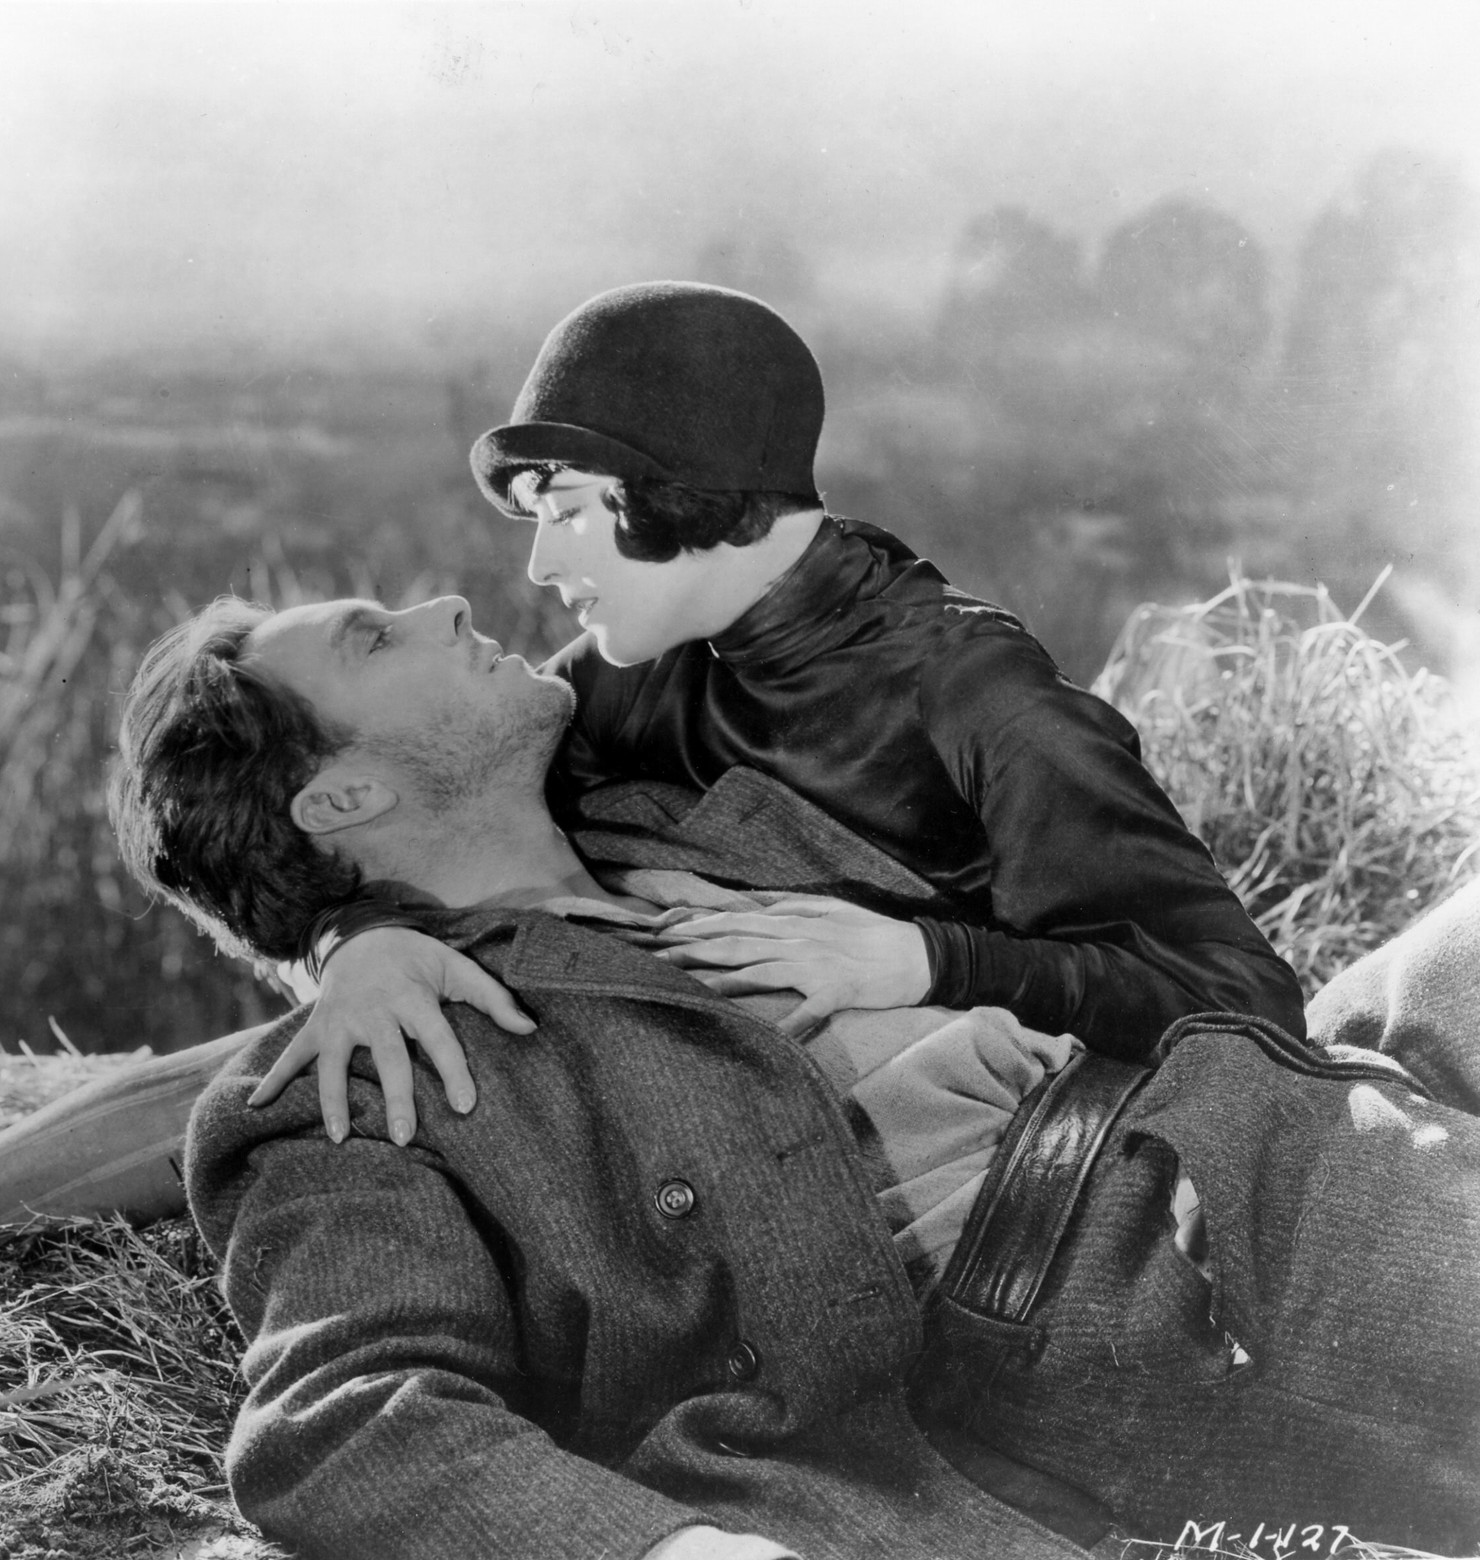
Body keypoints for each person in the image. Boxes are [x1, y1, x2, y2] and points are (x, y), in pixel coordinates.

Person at [121, 591, 1475, 1559]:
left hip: (1246, 1078)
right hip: (1114, 1260)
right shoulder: (362, 1069)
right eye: (373, 638)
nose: (444, 604)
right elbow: (343, 1419)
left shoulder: (665, 807)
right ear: (338, 801)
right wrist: (682, 1554)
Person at [259, 281, 1306, 1145]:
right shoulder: (634, 667)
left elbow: (1245, 998)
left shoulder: (976, 692)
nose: (536, 564)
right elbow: (435, 799)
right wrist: (357, 945)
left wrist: (928, 960)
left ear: (674, 490)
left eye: (565, 511)